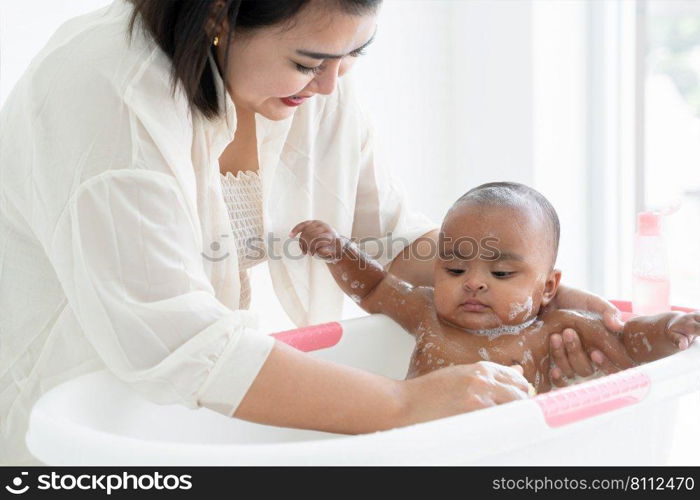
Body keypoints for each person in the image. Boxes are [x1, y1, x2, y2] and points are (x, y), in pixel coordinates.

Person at [0, 0, 626, 465]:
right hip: (69, 426)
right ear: (219, 14)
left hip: (191, 419)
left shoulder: (316, 80)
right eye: (309, 62)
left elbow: (390, 239)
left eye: (355, 55)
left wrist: (520, 292)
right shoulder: (109, 98)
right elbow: (177, 341)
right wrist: (404, 406)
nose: (331, 85)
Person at [291, 181, 699, 393]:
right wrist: (338, 252)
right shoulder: (426, 311)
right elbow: (375, 288)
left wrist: (670, 328)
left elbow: (627, 342)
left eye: (501, 274)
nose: (473, 283)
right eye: (453, 269)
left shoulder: (551, 330)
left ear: (548, 287)